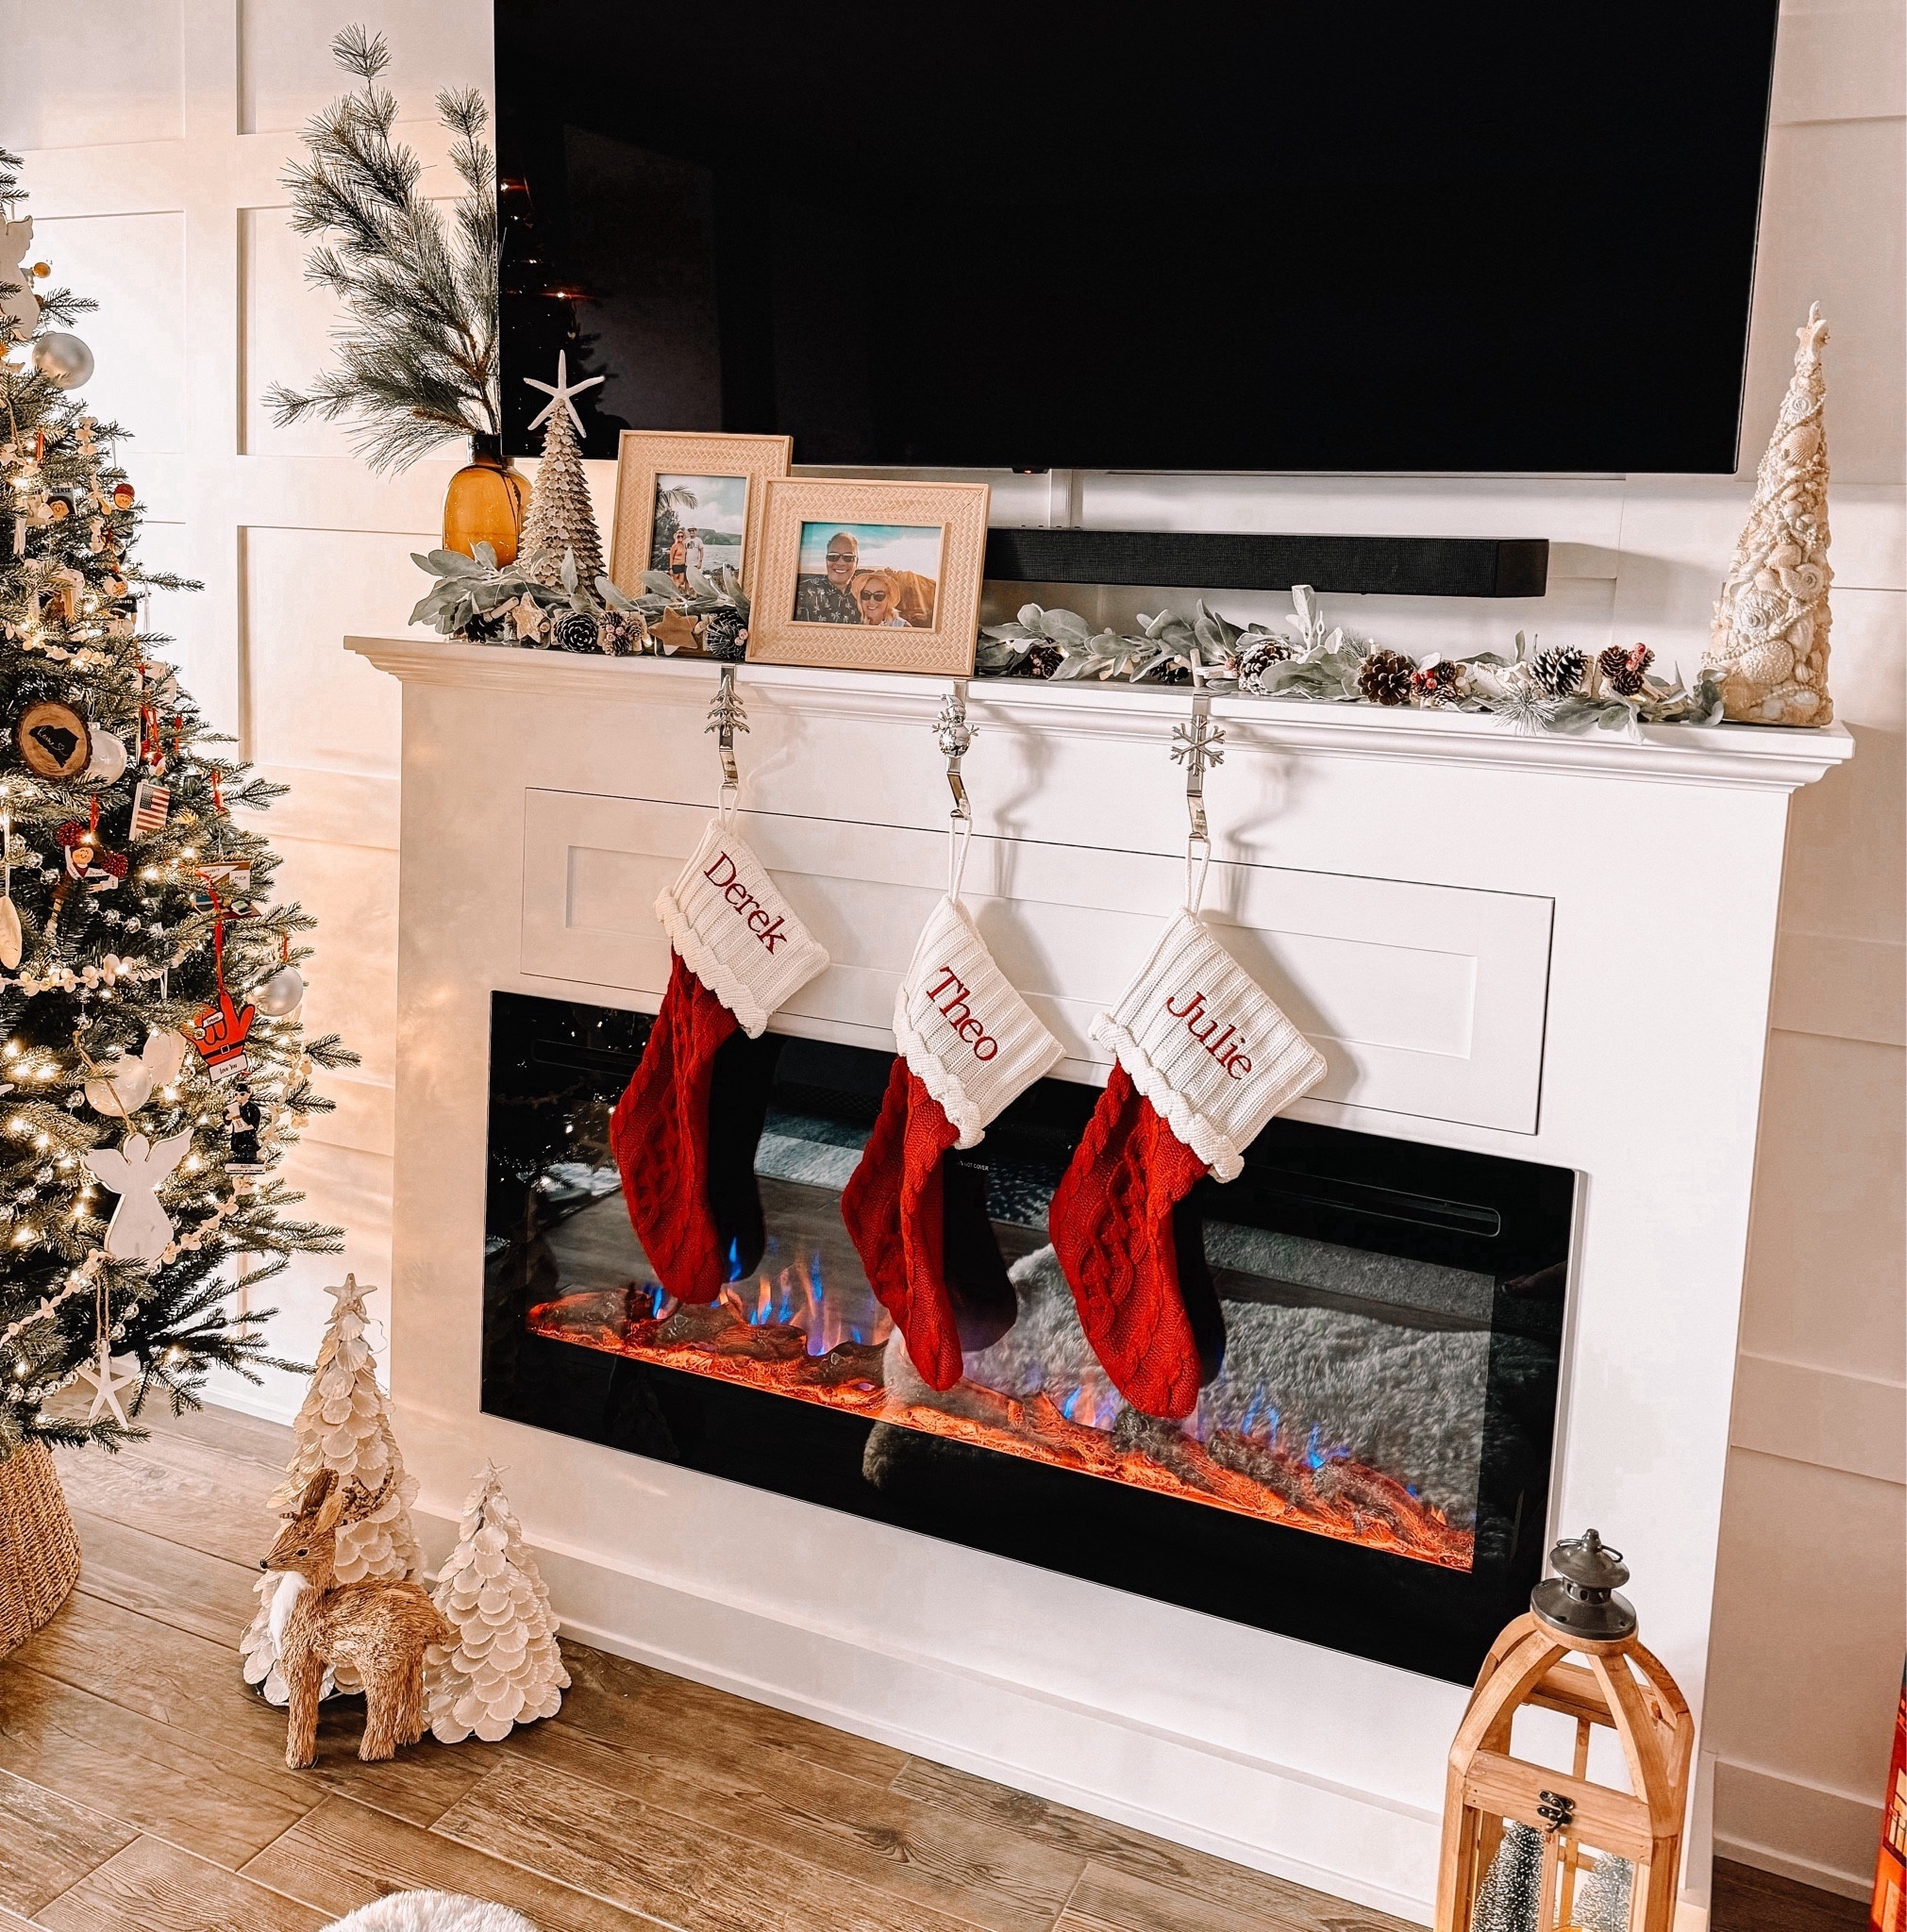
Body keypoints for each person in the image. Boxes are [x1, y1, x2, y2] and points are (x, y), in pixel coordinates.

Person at [794, 531, 862, 623]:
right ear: (826, 560)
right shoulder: (801, 591)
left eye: (848, 557)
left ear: (856, 562)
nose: (840, 563)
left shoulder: (866, 596)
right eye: (833, 556)